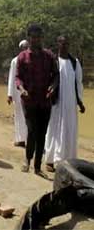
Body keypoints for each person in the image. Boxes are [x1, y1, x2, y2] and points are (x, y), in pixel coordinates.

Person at [15, 24, 59, 176]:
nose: (36, 39)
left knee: (42, 133)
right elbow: (18, 77)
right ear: (29, 38)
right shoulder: (23, 57)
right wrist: (21, 89)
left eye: (38, 37)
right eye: (33, 37)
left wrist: (53, 87)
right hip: (29, 101)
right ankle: (27, 159)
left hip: (45, 101)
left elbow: (56, 75)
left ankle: (38, 166)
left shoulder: (49, 56)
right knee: (32, 131)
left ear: (42, 38)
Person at [44, 36, 86, 172]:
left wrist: (80, 102)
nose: (65, 46)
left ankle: (69, 161)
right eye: (62, 43)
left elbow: (78, 83)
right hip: (56, 103)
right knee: (53, 130)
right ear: (58, 44)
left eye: (67, 44)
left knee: (69, 130)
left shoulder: (75, 62)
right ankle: (50, 161)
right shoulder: (53, 61)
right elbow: (47, 80)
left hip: (70, 104)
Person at [7, 39, 29, 147]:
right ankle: (20, 139)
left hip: (30, 93)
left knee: (29, 116)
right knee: (19, 116)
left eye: (26, 47)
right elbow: (12, 78)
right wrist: (10, 94)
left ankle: (28, 139)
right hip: (17, 92)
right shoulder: (15, 60)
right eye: (23, 47)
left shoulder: (33, 59)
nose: (25, 49)